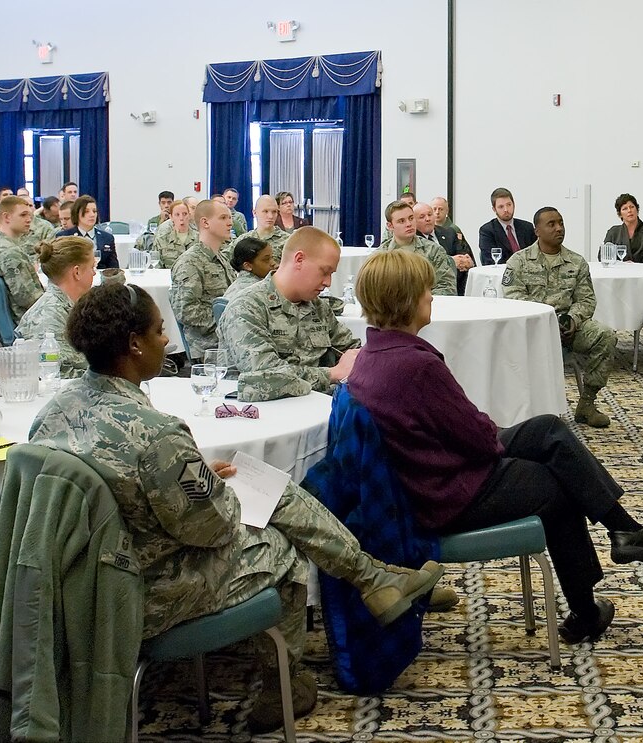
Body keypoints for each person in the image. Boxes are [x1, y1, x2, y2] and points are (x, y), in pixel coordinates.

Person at [29, 283, 444, 733]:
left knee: (266, 493)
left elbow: (114, 476)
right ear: (133, 345)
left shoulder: (56, 410)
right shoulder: (157, 431)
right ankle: (286, 679)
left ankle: (374, 577)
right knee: (281, 539)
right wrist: (225, 492)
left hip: (76, 578)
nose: (167, 340)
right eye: (158, 331)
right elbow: (211, 530)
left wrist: (196, 473)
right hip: (141, 592)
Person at [346, 248, 643, 644]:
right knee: (557, 482)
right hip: (446, 491)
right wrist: (494, 433)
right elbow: (473, 438)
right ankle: (592, 595)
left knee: (546, 430)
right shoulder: (415, 365)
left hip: (429, 475)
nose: (432, 296)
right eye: (425, 290)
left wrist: (492, 431)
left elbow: (458, 430)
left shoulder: (373, 355)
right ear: (405, 300)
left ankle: (621, 538)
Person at [503, 207, 615, 428]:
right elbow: (513, 299)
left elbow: (586, 300)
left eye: (561, 223)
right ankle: (521, 410)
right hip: (531, 331)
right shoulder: (519, 261)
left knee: (606, 336)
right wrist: (545, 318)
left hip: (568, 329)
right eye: (551, 224)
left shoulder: (576, 262)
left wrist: (572, 319)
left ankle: (587, 404)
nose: (559, 228)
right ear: (537, 230)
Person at [219, 228, 359, 402]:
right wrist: (332, 374)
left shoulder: (317, 306)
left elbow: (351, 348)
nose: (328, 282)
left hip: (319, 409)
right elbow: (265, 374)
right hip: (266, 416)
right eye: (324, 271)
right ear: (299, 260)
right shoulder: (247, 307)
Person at [15, 236, 93, 378]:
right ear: (77, 272)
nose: (94, 273)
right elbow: (57, 375)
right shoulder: (49, 315)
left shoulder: (70, 306)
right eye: (92, 267)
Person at [170, 199, 239, 357]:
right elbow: (186, 311)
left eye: (230, 218)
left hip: (229, 339)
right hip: (209, 348)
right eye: (223, 218)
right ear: (205, 223)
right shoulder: (190, 263)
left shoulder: (221, 258)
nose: (230, 223)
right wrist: (229, 321)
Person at [0, 196, 45, 320]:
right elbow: (27, 298)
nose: (29, 220)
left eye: (29, 215)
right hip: (27, 320)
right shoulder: (9, 252)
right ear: (7, 217)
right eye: (23, 215)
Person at [383, 202, 455, 296]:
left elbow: (447, 287)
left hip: (428, 306)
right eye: (401, 221)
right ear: (390, 226)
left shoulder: (433, 250)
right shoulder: (381, 255)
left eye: (411, 218)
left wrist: (419, 301)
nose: (409, 224)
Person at [53, 196, 117, 269]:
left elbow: (114, 268)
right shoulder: (64, 237)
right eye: (86, 211)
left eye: (94, 211)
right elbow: (60, 266)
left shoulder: (107, 238)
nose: (92, 215)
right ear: (76, 214)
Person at [477, 187, 534, 266]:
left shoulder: (527, 227)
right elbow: (490, 261)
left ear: (514, 205)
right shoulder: (487, 231)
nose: (506, 209)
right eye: (501, 207)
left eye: (509, 205)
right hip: (503, 274)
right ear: (494, 209)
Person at [603, 193, 643, 264]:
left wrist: (635, 265)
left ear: (637, 210)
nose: (629, 210)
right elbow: (604, 256)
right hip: (618, 273)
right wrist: (622, 264)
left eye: (632, 207)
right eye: (625, 208)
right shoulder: (613, 233)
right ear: (620, 214)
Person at [153, 199, 199, 268]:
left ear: (189, 215)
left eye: (185, 214)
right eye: (177, 215)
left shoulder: (199, 239)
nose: (181, 218)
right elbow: (156, 266)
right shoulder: (162, 240)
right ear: (171, 217)